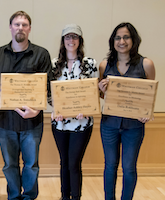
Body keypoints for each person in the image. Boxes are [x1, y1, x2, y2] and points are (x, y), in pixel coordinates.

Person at [0, 11, 52, 200]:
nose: (20, 28)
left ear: (29, 29)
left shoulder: (41, 54)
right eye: (17, 24)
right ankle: (14, 196)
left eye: (24, 25)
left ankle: (29, 197)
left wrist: (38, 110)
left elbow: (47, 88)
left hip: (31, 123)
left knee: (31, 164)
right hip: (4, 122)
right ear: (10, 27)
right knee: (9, 164)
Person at [98, 22, 155, 200]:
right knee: (110, 166)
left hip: (134, 126)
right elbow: (101, 95)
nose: (122, 41)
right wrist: (101, 89)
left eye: (126, 37)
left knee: (129, 167)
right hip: (109, 124)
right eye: (118, 37)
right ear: (112, 41)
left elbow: (150, 95)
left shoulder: (146, 64)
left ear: (134, 40)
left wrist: (147, 112)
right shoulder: (104, 65)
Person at [50, 24, 98, 200]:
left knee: (74, 163)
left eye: (75, 37)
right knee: (64, 163)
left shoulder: (90, 64)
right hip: (60, 123)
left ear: (80, 40)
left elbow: (94, 93)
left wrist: (86, 109)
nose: (71, 40)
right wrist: (56, 109)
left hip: (82, 123)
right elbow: (49, 93)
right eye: (68, 37)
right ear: (63, 41)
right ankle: (64, 197)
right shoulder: (54, 64)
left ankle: (76, 197)